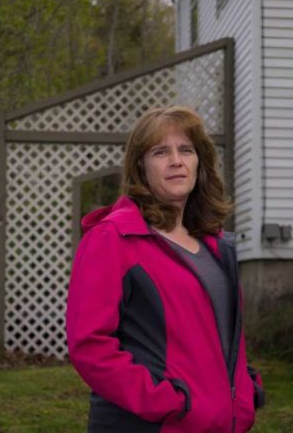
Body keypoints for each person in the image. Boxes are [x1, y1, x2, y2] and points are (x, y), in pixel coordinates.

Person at [66, 105, 265, 432]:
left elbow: (222, 339)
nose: (176, 160)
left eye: (185, 150)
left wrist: (245, 389)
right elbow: (89, 345)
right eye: (161, 152)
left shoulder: (218, 247)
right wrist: (168, 403)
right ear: (140, 167)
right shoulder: (112, 240)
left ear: (199, 162)